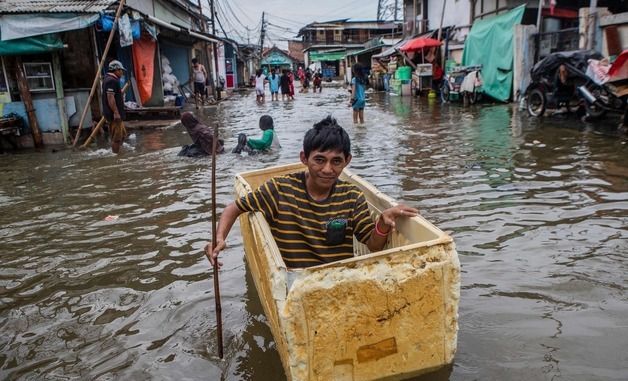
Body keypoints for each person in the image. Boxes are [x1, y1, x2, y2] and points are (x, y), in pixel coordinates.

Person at [206, 116, 418, 269]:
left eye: (336, 161)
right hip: (294, 285)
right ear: (304, 158)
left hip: (337, 281)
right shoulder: (279, 189)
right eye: (319, 160)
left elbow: (372, 245)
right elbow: (234, 208)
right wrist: (219, 238)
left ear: (347, 161)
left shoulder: (352, 196)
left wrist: (382, 222)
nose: (327, 169)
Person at [102, 60, 127, 154]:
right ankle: (116, 156)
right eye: (121, 70)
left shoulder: (109, 79)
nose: (122, 72)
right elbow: (110, 98)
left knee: (122, 135)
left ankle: (118, 151)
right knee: (117, 137)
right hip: (113, 114)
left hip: (115, 113)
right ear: (116, 70)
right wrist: (116, 112)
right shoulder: (111, 81)